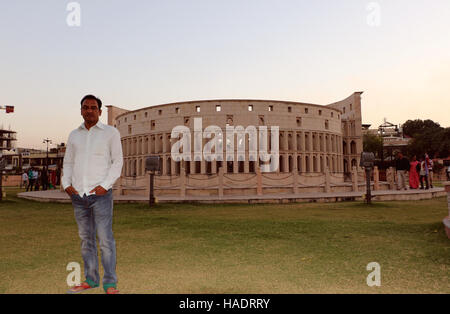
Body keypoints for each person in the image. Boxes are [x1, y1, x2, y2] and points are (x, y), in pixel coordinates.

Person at [63, 94, 123, 294]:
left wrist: (105, 185)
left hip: (101, 195)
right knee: (86, 239)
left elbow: (117, 162)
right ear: (81, 110)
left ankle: (110, 283)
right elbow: (69, 162)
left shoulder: (111, 133)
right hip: (78, 196)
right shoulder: (74, 135)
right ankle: (91, 279)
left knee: (105, 240)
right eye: (85, 107)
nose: (89, 110)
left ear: (99, 110)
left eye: (93, 107)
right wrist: (66, 184)